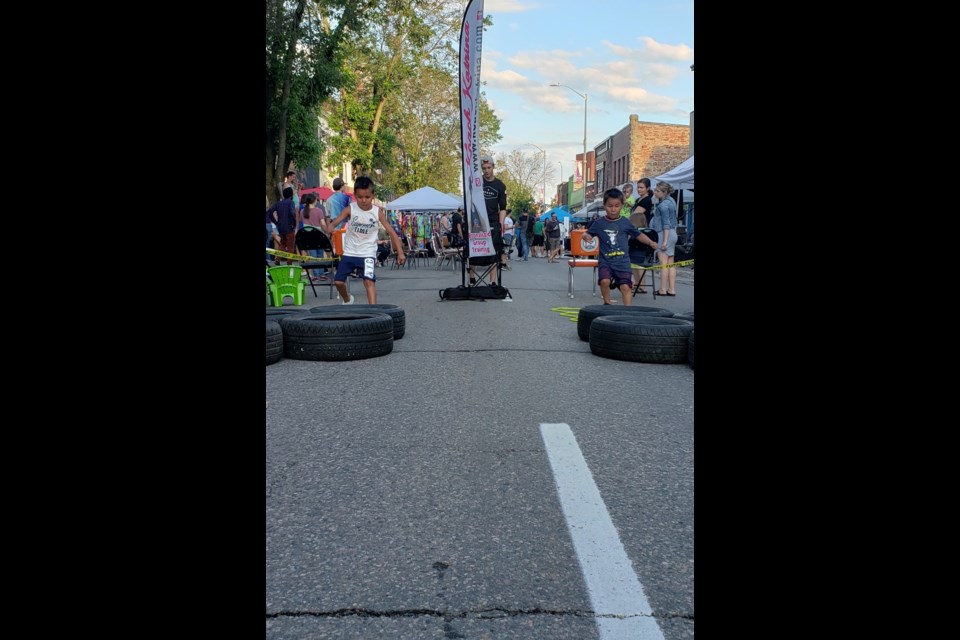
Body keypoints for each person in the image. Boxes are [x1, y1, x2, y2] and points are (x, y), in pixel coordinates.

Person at [321, 176, 405, 304]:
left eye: (367, 197)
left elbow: (392, 233)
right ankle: (347, 299)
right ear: (355, 195)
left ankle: (374, 311)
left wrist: (400, 252)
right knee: (338, 282)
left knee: (369, 282)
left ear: (373, 196)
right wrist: (330, 228)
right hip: (350, 252)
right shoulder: (350, 209)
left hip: (368, 254)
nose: (364, 201)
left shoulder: (377, 212)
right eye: (360, 197)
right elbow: (334, 223)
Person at [582, 187, 659, 306]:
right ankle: (607, 303)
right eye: (609, 206)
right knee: (604, 281)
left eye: (616, 206)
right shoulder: (599, 223)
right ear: (604, 205)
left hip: (622, 262)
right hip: (605, 261)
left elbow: (638, 234)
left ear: (622, 205)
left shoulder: (625, 222)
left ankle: (627, 311)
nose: (613, 209)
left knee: (625, 287)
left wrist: (650, 242)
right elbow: (587, 233)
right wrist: (585, 236)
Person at [468, 156, 507, 285]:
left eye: (489, 168)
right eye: (484, 168)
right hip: (477, 221)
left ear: (493, 167)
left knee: (494, 251)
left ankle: (492, 282)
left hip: (493, 221)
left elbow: (502, 208)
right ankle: (472, 278)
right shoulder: (477, 183)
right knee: (473, 250)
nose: (486, 171)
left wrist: (501, 224)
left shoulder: (500, 185)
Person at [649, 182, 679, 296]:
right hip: (672, 233)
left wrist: (665, 241)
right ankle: (671, 289)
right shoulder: (671, 201)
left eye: (657, 191)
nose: (655, 192)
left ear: (664, 192)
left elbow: (666, 224)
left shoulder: (663, 206)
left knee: (663, 262)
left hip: (664, 234)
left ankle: (662, 289)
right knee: (670, 262)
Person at [266, 187, 300, 265]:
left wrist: (275, 221)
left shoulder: (278, 203)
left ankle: (277, 259)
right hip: (289, 226)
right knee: (290, 245)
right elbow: (292, 213)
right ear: (291, 195)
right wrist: (294, 223)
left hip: (280, 227)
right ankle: (289, 262)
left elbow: (270, 211)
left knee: (283, 243)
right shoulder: (291, 203)